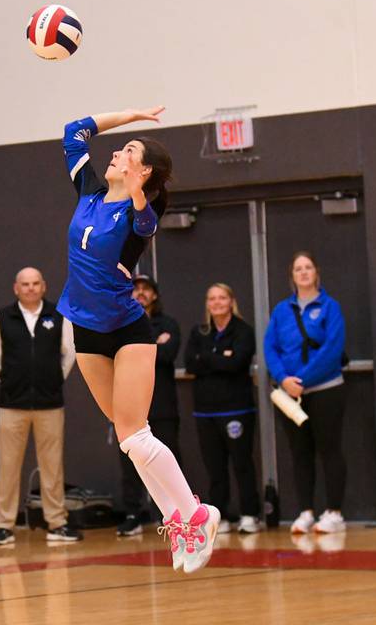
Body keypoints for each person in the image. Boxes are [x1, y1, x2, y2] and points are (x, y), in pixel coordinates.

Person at [57, 106, 220, 574]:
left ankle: (195, 515)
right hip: (85, 327)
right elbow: (74, 131)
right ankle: (182, 518)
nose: (116, 151)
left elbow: (146, 226)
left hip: (127, 329)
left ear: (143, 170)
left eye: (128, 151)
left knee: (135, 432)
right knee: (131, 441)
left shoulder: (140, 210)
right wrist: (130, 117)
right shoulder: (88, 190)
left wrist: (138, 195)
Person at [0, 267, 83, 545]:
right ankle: (4, 526)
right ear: (16, 288)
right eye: (25, 284)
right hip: (11, 406)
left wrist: (50, 382)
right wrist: (13, 383)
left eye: (35, 283)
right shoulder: (0, 318)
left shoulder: (59, 316)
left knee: (52, 467)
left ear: (44, 286)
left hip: (50, 405)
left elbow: (69, 354)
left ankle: (57, 523)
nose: (30, 288)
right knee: (8, 466)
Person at [264, 251, 348, 534]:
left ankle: (334, 512)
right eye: (298, 268)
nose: (303, 272)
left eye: (308, 267)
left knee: (330, 449)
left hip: (326, 389)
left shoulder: (330, 307)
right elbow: (270, 347)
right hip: (289, 395)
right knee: (300, 452)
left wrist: (304, 378)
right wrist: (283, 378)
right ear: (292, 276)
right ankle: (306, 511)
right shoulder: (281, 311)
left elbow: (333, 349)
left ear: (316, 272)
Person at [184, 283, 262, 534]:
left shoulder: (243, 331)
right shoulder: (199, 332)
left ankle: (250, 514)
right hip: (205, 411)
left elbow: (237, 363)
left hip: (236, 409)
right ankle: (221, 516)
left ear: (231, 301)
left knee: (242, 463)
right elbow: (190, 364)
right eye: (212, 299)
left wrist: (207, 358)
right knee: (215, 467)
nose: (216, 303)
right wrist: (220, 357)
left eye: (221, 298)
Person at [116, 274, 182, 537]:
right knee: (131, 461)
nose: (140, 293)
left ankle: (174, 513)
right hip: (131, 404)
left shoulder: (168, 323)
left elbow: (167, 355)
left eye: (146, 289)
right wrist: (155, 344)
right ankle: (133, 513)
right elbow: (120, 357)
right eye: (135, 289)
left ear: (154, 295)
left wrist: (141, 351)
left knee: (166, 456)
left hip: (162, 404)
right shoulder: (119, 324)